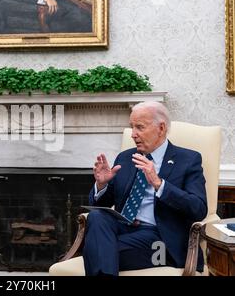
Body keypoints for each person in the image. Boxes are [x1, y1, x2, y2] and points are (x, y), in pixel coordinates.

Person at [83, 101, 207, 276]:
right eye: (131, 127)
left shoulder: (188, 159)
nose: (133, 134)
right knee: (97, 216)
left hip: (159, 239)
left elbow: (198, 208)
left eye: (140, 127)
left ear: (161, 128)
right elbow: (103, 203)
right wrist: (101, 185)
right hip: (124, 228)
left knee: (95, 250)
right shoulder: (126, 158)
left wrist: (159, 184)